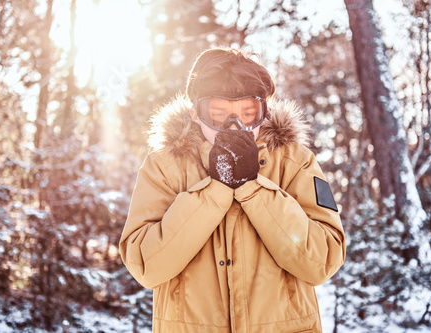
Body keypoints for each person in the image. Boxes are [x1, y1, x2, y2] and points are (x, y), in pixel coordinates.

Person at [119, 47, 346, 333]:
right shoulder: (164, 167)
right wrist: (216, 189)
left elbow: (323, 261)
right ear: (195, 114)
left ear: (264, 113)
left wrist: (253, 187)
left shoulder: (295, 162)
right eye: (218, 114)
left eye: (248, 113)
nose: (235, 125)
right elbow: (145, 266)